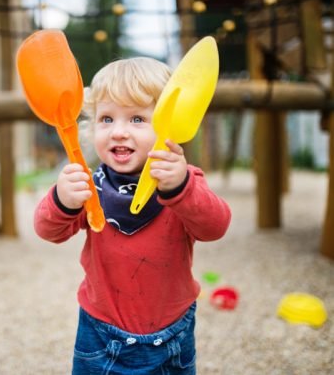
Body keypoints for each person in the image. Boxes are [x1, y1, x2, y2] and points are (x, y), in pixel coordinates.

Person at [34, 57, 231, 374]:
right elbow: (48, 230)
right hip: (100, 332)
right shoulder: (90, 186)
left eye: (137, 119)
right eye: (107, 119)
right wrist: (61, 199)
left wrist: (181, 188)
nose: (119, 132)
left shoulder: (184, 180)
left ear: (169, 123)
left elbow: (215, 226)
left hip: (173, 331)